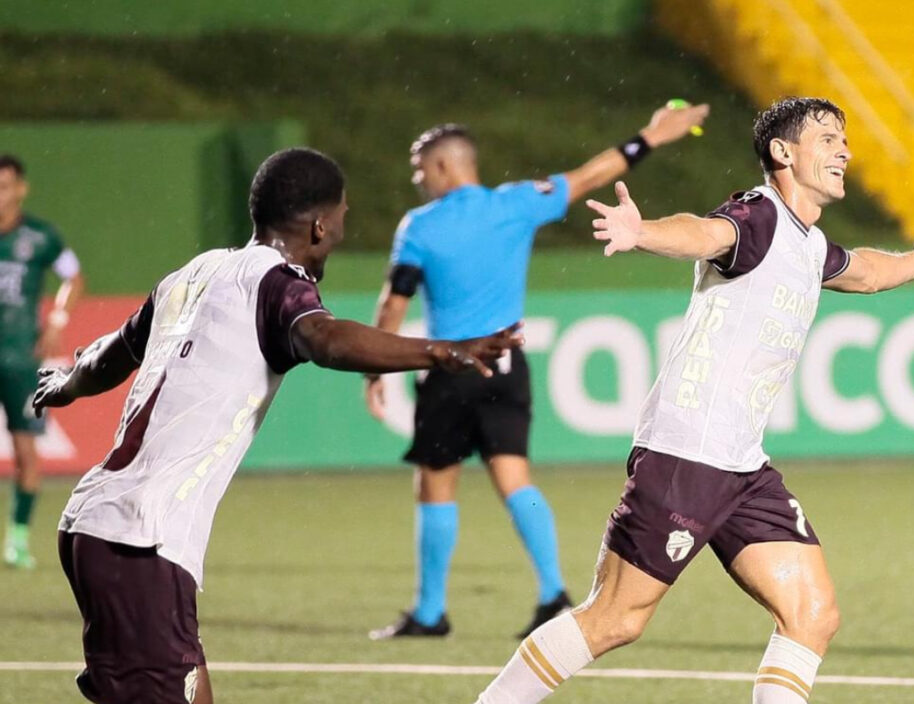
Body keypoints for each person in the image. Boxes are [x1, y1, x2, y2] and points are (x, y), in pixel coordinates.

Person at [473, 97, 914, 704]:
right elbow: (707, 232)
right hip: (687, 453)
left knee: (812, 614)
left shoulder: (808, 243)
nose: (844, 150)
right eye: (828, 138)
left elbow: (864, 272)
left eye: (844, 139)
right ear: (783, 152)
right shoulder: (759, 215)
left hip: (741, 464)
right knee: (615, 619)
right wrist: (642, 232)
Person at [32, 147, 522, 704]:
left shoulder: (193, 273)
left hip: (97, 523)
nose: (340, 232)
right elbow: (325, 339)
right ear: (319, 226)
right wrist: (439, 350)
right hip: (140, 540)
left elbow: (110, 355)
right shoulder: (277, 282)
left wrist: (67, 384)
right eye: (341, 217)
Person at [365, 102, 710, 640]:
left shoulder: (421, 226)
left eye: (420, 169)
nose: (418, 180)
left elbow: (394, 302)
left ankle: (431, 612)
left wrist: (374, 366)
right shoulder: (519, 203)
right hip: (507, 364)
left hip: (450, 367)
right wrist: (649, 137)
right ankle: (553, 593)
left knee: (436, 484)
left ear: (443, 166)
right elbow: (590, 176)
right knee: (515, 479)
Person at [0, 154, 85, 569]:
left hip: (20, 359)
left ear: (21, 189)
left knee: (26, 452)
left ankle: (16, 540)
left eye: (4, 187)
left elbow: (74, 277)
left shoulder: (41, 237)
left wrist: (58, 320)